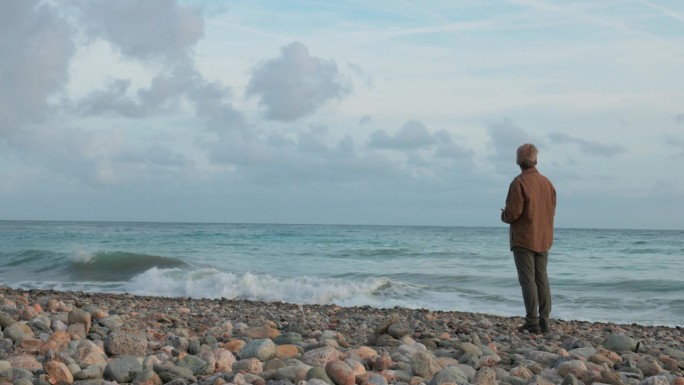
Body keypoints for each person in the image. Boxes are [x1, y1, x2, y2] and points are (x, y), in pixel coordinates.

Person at [501, 143, 556, 334]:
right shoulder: (547, 183)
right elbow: (551, 209)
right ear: (536, 160)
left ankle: (532, 321)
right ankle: (544, 320)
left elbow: (513, 213)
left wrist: (504, 216)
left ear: (518, 161)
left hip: (524, 237)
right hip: (544, 236)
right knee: (542, 278)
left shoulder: (519, 183)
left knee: (528, 280)